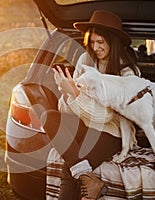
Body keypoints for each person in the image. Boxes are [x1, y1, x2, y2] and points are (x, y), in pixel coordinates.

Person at [43, 10, 141, 199]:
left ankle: (85, 177)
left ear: (112, 41)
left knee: (69, 170)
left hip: (112, 133)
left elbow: (107, 117)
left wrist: (75, 92)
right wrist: (66, 92)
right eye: (92, 42)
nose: (95, 47)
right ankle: (90, 179)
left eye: (100, 42)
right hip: (84, 124)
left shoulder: (128, 73)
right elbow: (67, 110)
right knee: (49, 116)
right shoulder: (84, 61)